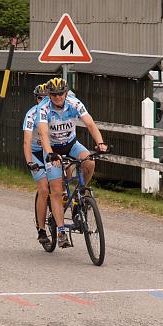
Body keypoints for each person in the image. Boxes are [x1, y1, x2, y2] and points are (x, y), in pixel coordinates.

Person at [37, 77, 108, 248]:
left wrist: (100, 142)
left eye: (61, 94)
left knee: (89, 162)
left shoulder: (74, 103)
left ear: (66, 93)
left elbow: (90, 123)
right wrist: (51, 154)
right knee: (56, 189)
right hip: (52, 149)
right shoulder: (43, 108)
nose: (58, 97)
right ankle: (61, 231)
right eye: (54, 95)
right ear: (49, 95)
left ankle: (81, 196)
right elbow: (44, 135)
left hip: (71, 144)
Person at [23, 83, 51, 245]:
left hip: (51, 151)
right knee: (44, 189)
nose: (44, 100)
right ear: (36, 100)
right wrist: (29, 162)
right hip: (36, 153)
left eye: (47, 97)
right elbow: (26, 141)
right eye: (41, 97)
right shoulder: (31, 115)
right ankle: (42, 230)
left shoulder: (53, 112)